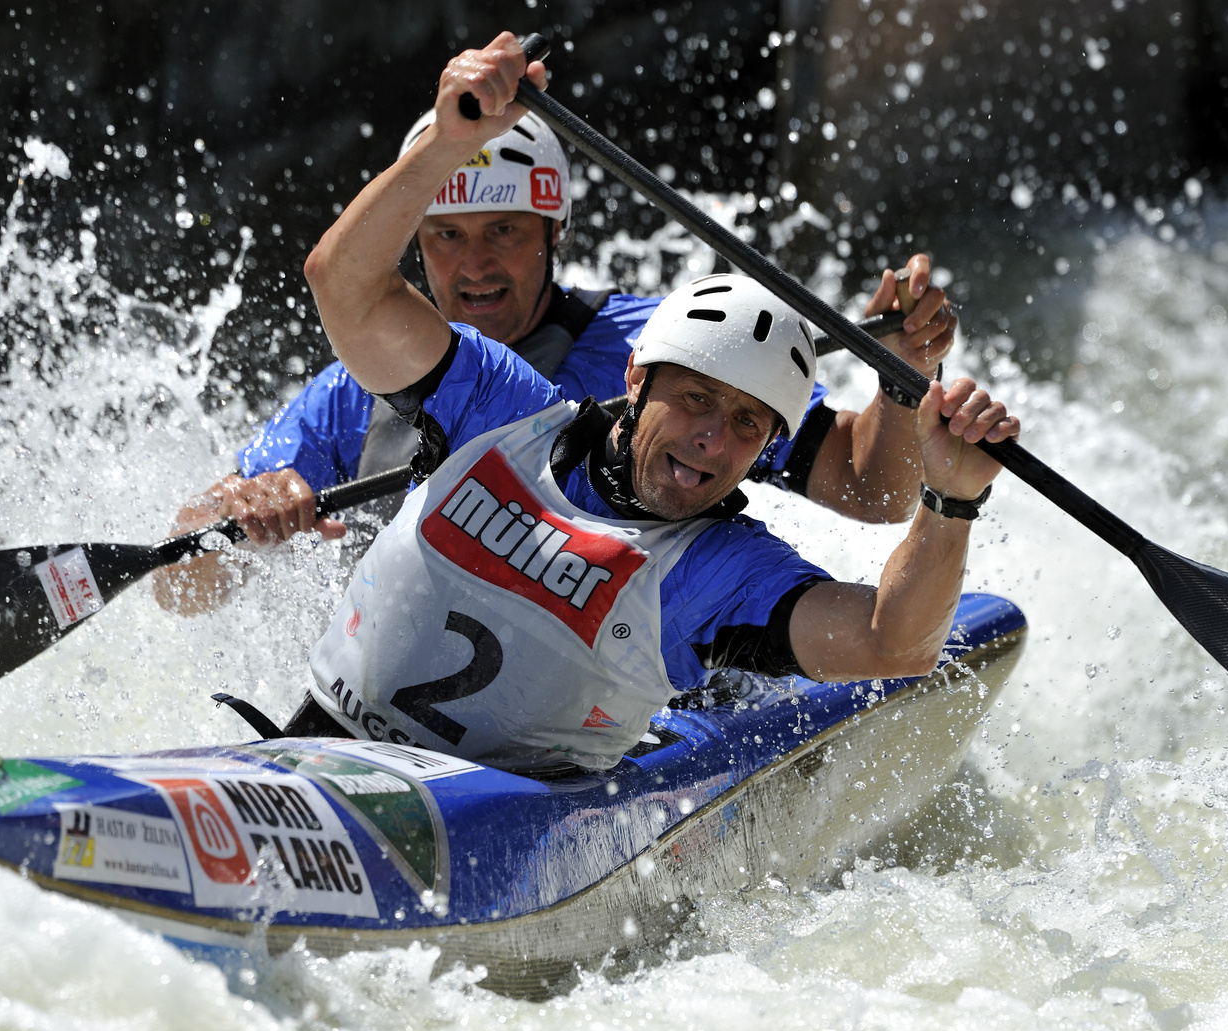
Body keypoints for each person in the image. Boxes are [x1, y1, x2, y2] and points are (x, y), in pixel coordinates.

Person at [169, 34, 1020, 774]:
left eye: (504, 229)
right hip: (370, 713)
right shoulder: (475, 393)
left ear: (554, 236)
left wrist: (908, 400)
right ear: (633, 390)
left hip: (618, 689)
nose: (475, 266)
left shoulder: (680, 350)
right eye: (446, 234)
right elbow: (180, 585)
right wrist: (242, 516)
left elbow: (868, 502)